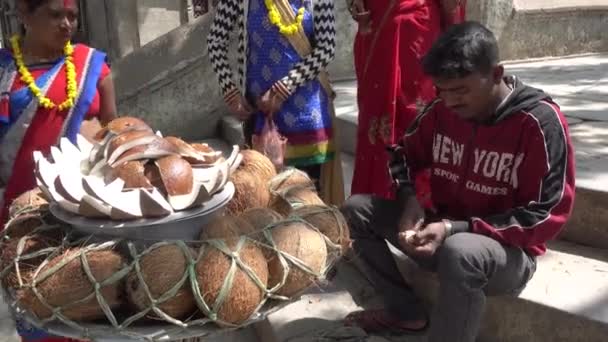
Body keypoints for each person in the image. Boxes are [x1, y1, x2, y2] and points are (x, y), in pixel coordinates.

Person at [340, 22, 575, 342]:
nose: (450, 102)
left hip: (506, 255)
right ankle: (405, 312)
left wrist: (456, 229)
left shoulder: (539, 123)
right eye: (442, 90)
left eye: (461, 90)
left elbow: (545, 216)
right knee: (357, 210)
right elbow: (400, 156)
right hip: (443, 233)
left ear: (496, 74)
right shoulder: (442, 112)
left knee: (461, 251)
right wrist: (410, 198)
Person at [0, 0, 117, 341]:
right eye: (55, 15)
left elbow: (116, 136)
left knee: (91, 311)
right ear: (24, 15)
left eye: (72, 16)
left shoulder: (93, 67)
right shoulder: (5, 71)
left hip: (87, 219)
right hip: (23, 221)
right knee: (38, 318)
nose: (66, 24)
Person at [207, 0, 344, 205]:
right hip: (260, 116)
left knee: (309, 201)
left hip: (307, 116)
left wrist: (284, 88)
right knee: (263, 197)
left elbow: (326, 48)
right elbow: (215, 41)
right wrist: (231, 91)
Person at [348, 0, 466, 206]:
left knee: (415, 116)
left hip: (413, 35)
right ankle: (374, 205)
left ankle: (419, 205)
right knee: (377, 120)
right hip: (377, 30)